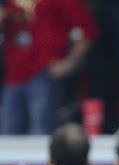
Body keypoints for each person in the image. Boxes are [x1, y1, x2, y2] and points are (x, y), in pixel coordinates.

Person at [0, 0, 98, 134]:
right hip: (13, 76)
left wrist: (69, 63)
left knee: (41, 136)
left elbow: (89, 29)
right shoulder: (9, 2)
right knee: (7, 137)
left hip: (43, 74)